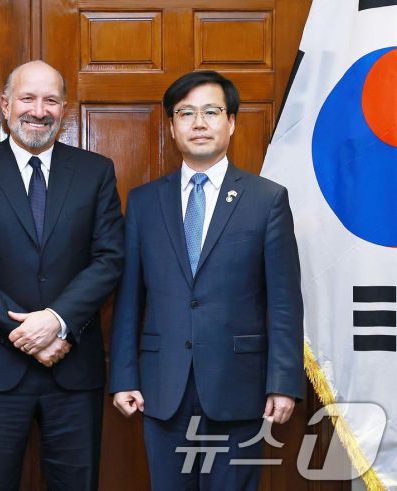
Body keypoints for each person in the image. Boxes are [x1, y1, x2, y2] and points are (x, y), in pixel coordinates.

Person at [109, 70, 304, 490]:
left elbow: (284, 302)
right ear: (173, 126)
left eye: (212, 111)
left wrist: (283, 383)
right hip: (161, 389)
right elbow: (129, 300)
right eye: (186, 113)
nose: (199, 123)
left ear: (231, 122)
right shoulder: (144, 202)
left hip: (239, 389)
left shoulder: (266, 199)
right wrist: (124, 375)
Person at [0, 60, 123, 490]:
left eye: (50, 100)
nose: (38, 110)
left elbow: (109, 259)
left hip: (73, 366)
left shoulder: (96, 171)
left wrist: (57, 321)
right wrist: (26, 333)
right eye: (27, 98)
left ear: (64, 108)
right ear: (5, 105)